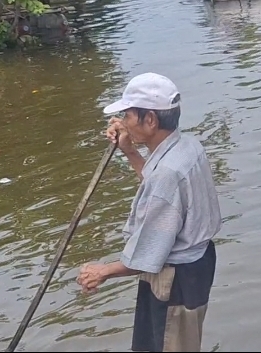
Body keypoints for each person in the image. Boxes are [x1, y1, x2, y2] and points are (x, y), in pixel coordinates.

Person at [76, 73, 222, 352]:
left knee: (170, 344)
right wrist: (129, 151)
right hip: (197, 264)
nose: (124, 123)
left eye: (128, 116)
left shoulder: (167, 173)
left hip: (177, 279)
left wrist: (103, 271)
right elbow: (164, 193)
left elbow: (149, 253)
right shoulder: (187, 147)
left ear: (151, 120)